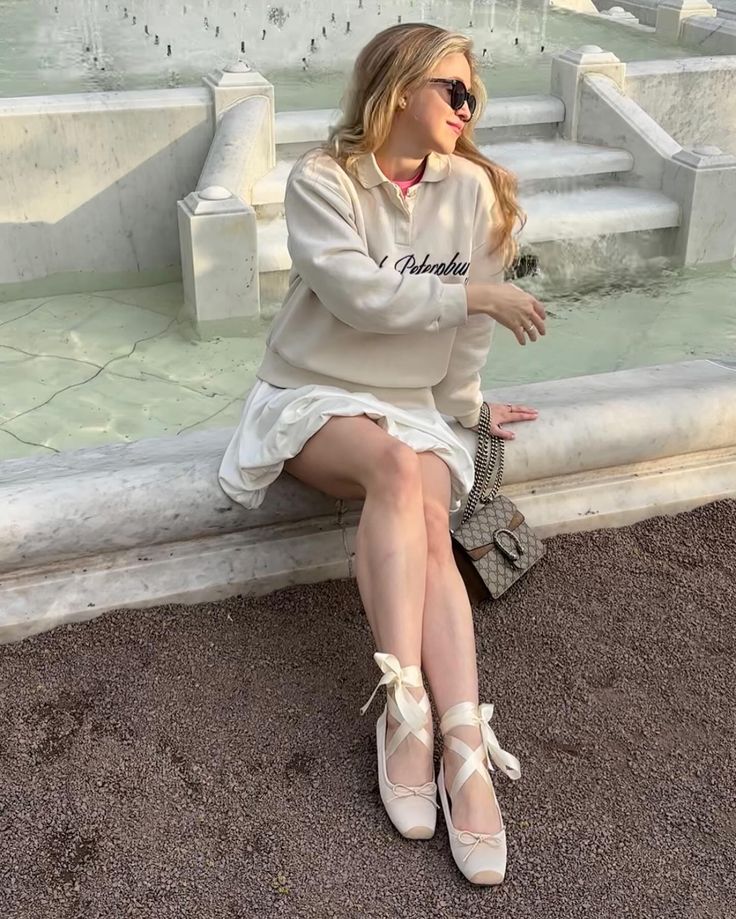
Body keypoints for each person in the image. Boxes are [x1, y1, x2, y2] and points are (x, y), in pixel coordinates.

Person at [219, 22, 546, 885]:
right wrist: (471, 290)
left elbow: (467, 342)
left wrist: (466, 417)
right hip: (317, 392)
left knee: (428, 507)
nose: (468, 110)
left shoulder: (475, 192)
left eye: (474, 96)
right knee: (395, 471)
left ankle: (461, 736)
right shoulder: (322, 180)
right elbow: (359, 296)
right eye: (455, 91)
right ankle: (403, 704)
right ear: (400, 88)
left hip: (414, 403)